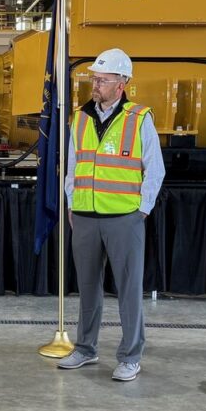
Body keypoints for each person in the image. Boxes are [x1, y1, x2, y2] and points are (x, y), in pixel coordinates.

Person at [57, 48, 165, 381]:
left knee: (129, 290)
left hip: (124, 218)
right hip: (86, 216)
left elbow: (155, 169)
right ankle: (86, 349)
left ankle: (130, 356)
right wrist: (72, 203)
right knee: (88, 288)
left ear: (122, 83)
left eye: (103, 80)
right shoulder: (81, 117)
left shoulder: (139, 118)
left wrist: (141, 211)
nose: (96, 85)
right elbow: (72, 166)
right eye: (94, 79)